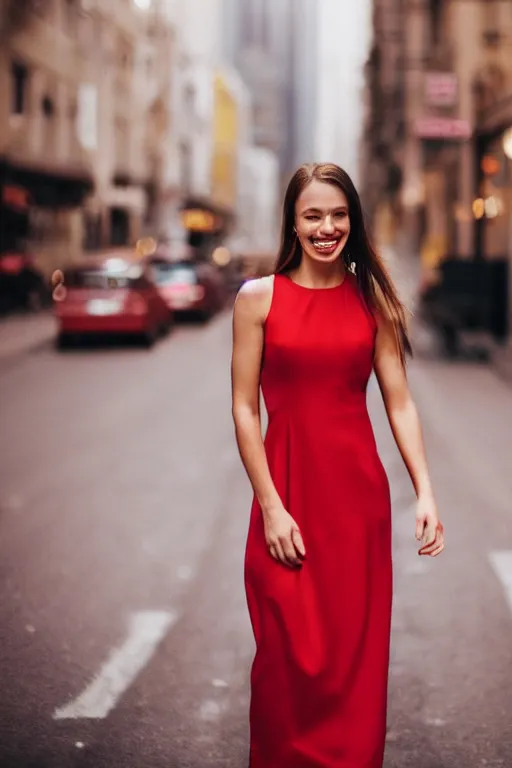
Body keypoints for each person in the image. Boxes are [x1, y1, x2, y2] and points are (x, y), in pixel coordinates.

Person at [230, 162, 445, 768]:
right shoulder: (257, 299)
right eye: (313, 216)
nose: (327, 227)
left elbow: (398, 401)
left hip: (356, 508)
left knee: (354, 662)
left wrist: (425, 491)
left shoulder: (370, 299)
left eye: (339, 214)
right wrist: (272, 507)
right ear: (293, 224)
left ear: (353, 219)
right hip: (287, 498)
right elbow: (245, 408)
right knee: (285, 656)